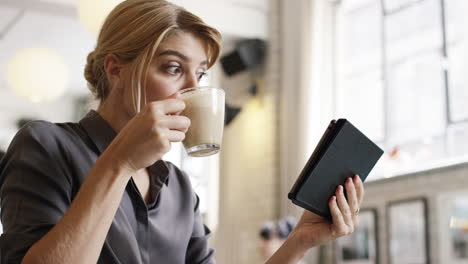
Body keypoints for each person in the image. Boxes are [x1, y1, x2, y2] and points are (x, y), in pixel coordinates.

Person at [0, 0, 365, 263]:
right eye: (173, 68)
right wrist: (120, 162)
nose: (193, 90)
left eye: (201, 74)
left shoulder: (178, 186)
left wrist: (298, 242)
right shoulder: (46, 145)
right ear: (115, 70)